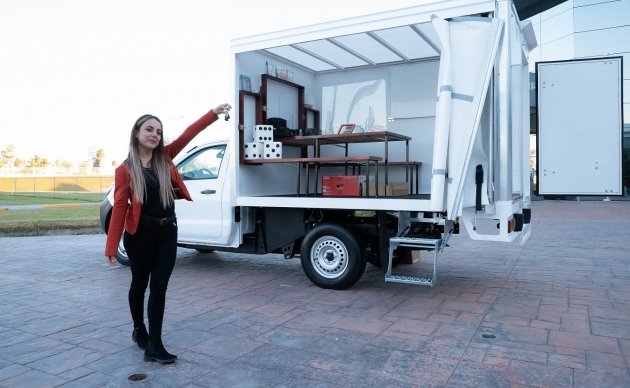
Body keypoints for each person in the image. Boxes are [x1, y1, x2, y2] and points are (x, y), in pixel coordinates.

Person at [105, 103, 231, 364]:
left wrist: (213, 114)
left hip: (167, 233)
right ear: (137, 133)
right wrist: (111, 246)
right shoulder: (125, 170)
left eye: (159, 131)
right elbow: (119, 207)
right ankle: (140, 330)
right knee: (139, 284)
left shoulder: (165, 157)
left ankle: (154, 344)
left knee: (159, 287)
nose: (155, 135)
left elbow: (188, 134)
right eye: (149, 129)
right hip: (139, 236)